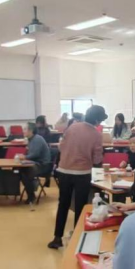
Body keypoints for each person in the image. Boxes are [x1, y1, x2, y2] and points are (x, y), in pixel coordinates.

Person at [48, 105, 107, 249]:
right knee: (80, 206)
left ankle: (57, 238)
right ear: (97, 120)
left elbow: (62, 146)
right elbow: (97, 159)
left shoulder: (72, 127)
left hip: (64, 170)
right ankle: (77, 238)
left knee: (63, 204)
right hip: (82, 173)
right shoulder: (96, 134)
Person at [17, 122, 52, 210]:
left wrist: (24, 157)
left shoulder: (37, 139)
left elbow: (35, 154)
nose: (23, 131)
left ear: (31, 130)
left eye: (25, 129)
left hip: (43, 166)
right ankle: (31, 191)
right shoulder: (31, 139)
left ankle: (31, 195)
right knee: (20, 170)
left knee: (25, 172)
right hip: (36, 163)